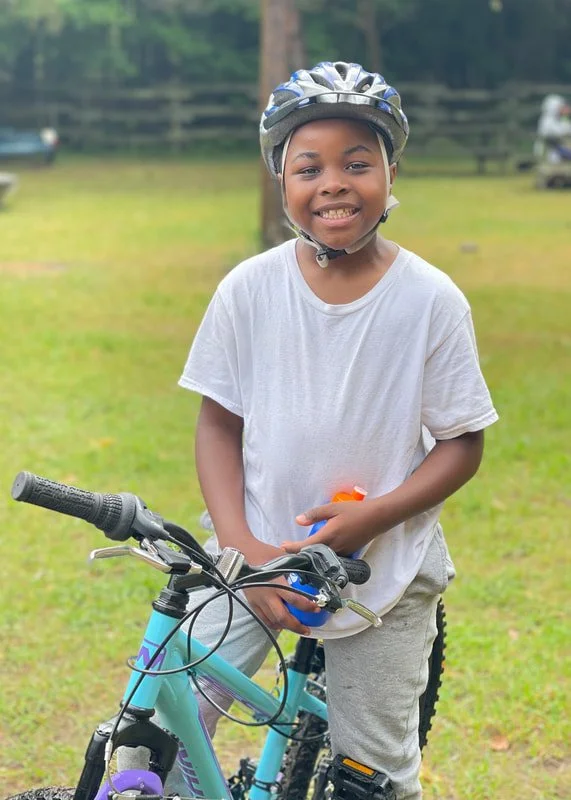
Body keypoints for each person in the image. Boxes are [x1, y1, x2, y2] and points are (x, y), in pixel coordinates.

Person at [174, 61, 498, 799]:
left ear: (390, 173)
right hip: (250, 544)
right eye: (307, 166)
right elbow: (218, 424)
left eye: (358, 163)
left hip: (380, 567)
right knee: (167, 720)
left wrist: (370, 519)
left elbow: (461, 440)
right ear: (280, 181)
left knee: (373, 776)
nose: (333, 183)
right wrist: (246, 551)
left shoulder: (430, 301)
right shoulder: (249, 290)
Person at [534, 93, 571, 163]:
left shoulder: (558, 119)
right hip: (551, 154)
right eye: (560, 107)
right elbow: (560, 132)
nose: (563, 108)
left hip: (558, 151)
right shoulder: (546, 121)